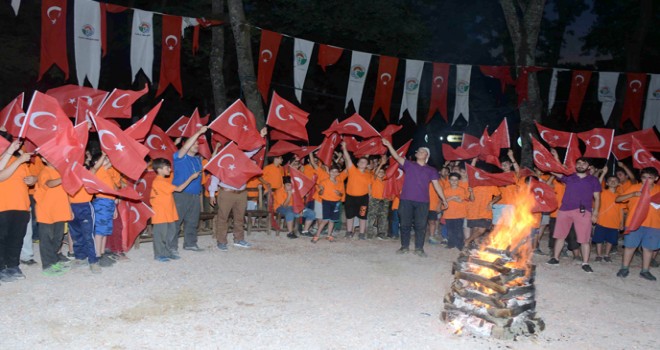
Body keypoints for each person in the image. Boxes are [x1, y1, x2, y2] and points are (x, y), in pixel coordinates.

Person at [382, 139, 447, 257]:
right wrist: (389, 145)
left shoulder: (431, 170)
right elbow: (396, 156)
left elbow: (437, 185)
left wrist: (444, 199)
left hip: (423, 202)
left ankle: (419, 248)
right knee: (405, 224)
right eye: (418, 151)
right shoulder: (408, 164)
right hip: (406, 199)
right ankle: (404, 246)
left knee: (420, 226)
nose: (418, 152)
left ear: (426, 155)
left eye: (422, 151)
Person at [209, 127, 267, 252]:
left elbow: (254, 150)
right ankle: (221, 241)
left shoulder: (242, 156)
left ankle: (239, 239)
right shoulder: (222, 159)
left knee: (239, 217)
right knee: (223, 218)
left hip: (241, 193)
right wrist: (212, 193)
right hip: (226, 193)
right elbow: (214, 177)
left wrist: (260, 137)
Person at [546, 157, 601, 273]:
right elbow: (556, 172)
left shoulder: (593, 180)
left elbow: (597, 197)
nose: (580, 165)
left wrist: (595, 212)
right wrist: (547, 162)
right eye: (579, 163)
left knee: (584, 239)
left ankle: (585, 263)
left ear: (588, 167)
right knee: (560, 236)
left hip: (583, 211)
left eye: (583, 163)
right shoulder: (570, 177)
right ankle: (555, 258)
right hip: (565, 210)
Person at [150, 158, 200, 262]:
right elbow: (179, 189)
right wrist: (191, 178)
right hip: (161, 214)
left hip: (169, 213)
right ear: (159, 170)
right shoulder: (159, 182)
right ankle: (159, 254)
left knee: (170, 234)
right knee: (161, 235)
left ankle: (167, 252)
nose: (169, 169)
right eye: (167, 168)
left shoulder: (164, 180)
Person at [615, 167, 660, 281]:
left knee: (649, 249)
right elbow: (618, 199)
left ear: (656, 178)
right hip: (634, 222)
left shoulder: (659, 190)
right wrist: (633, 194)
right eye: (644, 177)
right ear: (641, 178)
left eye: (650, 178)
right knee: (630, 246)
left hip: (653, 224)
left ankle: (645, 271)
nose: (646, 180)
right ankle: (624, 268)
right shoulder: (634, 187)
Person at [0, 137, 34, 282]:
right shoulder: (3, 160)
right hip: (3, 206)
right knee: (2, 239)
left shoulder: (21, 162)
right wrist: (18, 160)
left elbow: (28, 180)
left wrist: (33, 180)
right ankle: (1, 268)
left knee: (17, 238)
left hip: (21, 206)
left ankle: (13, 266)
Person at [172, 126, 208, 253]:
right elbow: (185, 148)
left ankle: (190, 243)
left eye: (198, 144)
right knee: (176, 220)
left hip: (195, 195)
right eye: (195, 143)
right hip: (181, 194)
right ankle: (171, 246)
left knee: (193, 220)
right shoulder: (180, 157)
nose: (197, 145)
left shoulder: (198, 160)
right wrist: (198, 132)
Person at [34, 158, 73, 276]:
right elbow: (49, 183)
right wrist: (63, 178)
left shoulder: (60, 171)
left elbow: (66, 192)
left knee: (58, 238)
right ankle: (47, 265)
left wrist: (70, 209)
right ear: (42, 159)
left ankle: (54, 260)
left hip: (60, 211)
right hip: (46, 212)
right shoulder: (44, 172)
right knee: (46, 239)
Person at [68, 150, 102, 274]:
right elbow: (66, 194)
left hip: (85, 208)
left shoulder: (87, 175)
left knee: (88, 235)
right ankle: (80, 258)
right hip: (72, 207)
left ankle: (93, 261)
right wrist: (68, 209)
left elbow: (95, 168)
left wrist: (103, 155)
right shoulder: (69, 177)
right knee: (76, 234)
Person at [90, 153, 119, 267]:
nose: (108, 160)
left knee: (105, 230)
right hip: (101, 203)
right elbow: (97, 166)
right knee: (99, 231)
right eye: (105, 159)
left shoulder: (108, 173)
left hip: (109, 204)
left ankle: (102, 253)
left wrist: (114, 208)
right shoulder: (99, 171)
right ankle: (97, 255)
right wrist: (104, 154)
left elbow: (113, 192)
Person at [340, 141, 372, 240]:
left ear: (367, 165)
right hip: (350, 197)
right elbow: (348, 159)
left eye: (365, 162)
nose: (362, 163)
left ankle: (361, 234)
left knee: (362, 216)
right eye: (361, 162)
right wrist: (344, 148)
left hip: (363, 198)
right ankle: (349, 232)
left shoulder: (369, 174)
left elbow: (369, 187)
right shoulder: (352, 170)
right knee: (350, 215)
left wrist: (370, 198)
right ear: (357, 163)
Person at [592, 174, 624, 263]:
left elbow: (621, 209)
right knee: (599, 239)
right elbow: (597, 185)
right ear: (606, 183)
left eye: (615, 180)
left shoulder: (620, 196)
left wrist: (622, 223)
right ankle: (599, 255)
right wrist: (603, 173)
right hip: (601, 220)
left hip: (614, 222)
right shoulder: (602, 192)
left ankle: (607, 255)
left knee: (610, 240)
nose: (613, 182)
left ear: (618, 183)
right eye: (610, 180)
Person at [312, 166, 344, 243]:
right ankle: (317, 235)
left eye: (336, 171)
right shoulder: (324, 182)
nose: (334, 173)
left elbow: (341, 194)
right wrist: (322, 190)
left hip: (336, 202)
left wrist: (339, 193)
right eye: (332, 171)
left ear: (338, 173)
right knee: (325, 220)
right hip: (326, 202)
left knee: (332, 220)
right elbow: (320, 193)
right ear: (329, 172)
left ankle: (329, 235)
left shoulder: (340, 183)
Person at [443, 173, 472, 250]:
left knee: (459, 230)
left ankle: (460, 245)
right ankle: (451, 244)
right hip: (448, 214)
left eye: (456, 180)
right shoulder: (445, 190)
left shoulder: (461, 190)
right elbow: (444, 200)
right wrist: (453, 197)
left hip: (459, 214)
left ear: (458, 181)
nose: (454, 181)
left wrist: (449, 198)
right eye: (452, 180)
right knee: (450, 230)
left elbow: (459, 200)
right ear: (449, 180)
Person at [366, 156, 389, 239]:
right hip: (374, 200)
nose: (381, 173)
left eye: (383, 172)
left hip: (384, 200)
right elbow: (375, 174)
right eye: (379, 172)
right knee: (372, 217)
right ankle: (370, 234)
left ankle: (381, 233)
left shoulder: (386, 181)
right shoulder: (373, 178)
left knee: (383, 217)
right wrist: (381, 164)